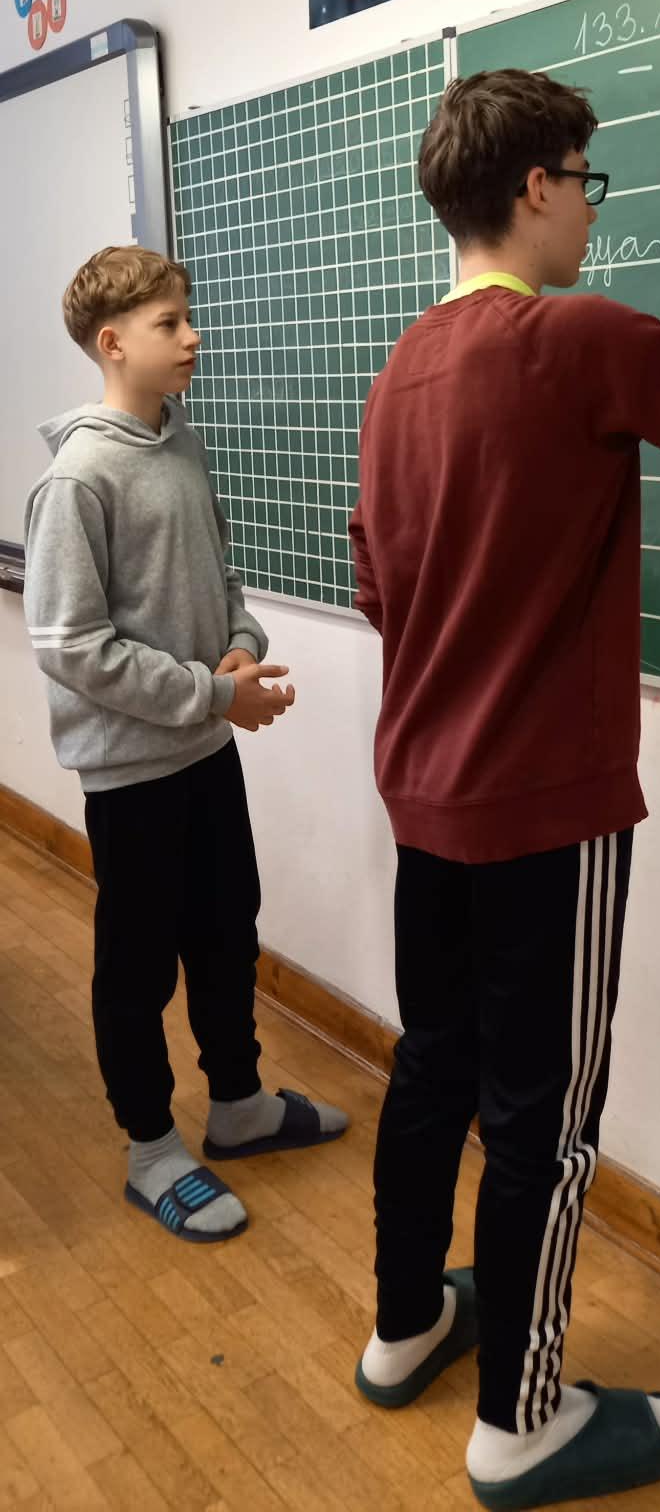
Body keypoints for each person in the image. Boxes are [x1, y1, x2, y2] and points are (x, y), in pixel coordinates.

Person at [348, 70, 660, 1508]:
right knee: (546, 1123)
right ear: (537, 187)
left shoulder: (401, 369)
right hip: (544, 812)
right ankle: (521, 1421)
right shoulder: (570, 340)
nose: (590, 211)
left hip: (425, 793)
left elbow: (378, 585)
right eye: (585, 181)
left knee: (432, 1069)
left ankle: (404, 1327)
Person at [24, 246, 347, 1245]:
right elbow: (69, 644)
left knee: (224, 930)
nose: (193, 336)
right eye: (169, 322)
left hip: (205, 751)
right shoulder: (78, 478)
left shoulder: (181, 442)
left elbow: (220, 576)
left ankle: (239, 1104)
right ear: (113, 342)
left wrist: (240, 644)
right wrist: (213, 693)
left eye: (187, 316)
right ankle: (151, 1147)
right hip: (133, 773)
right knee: (137, 967)